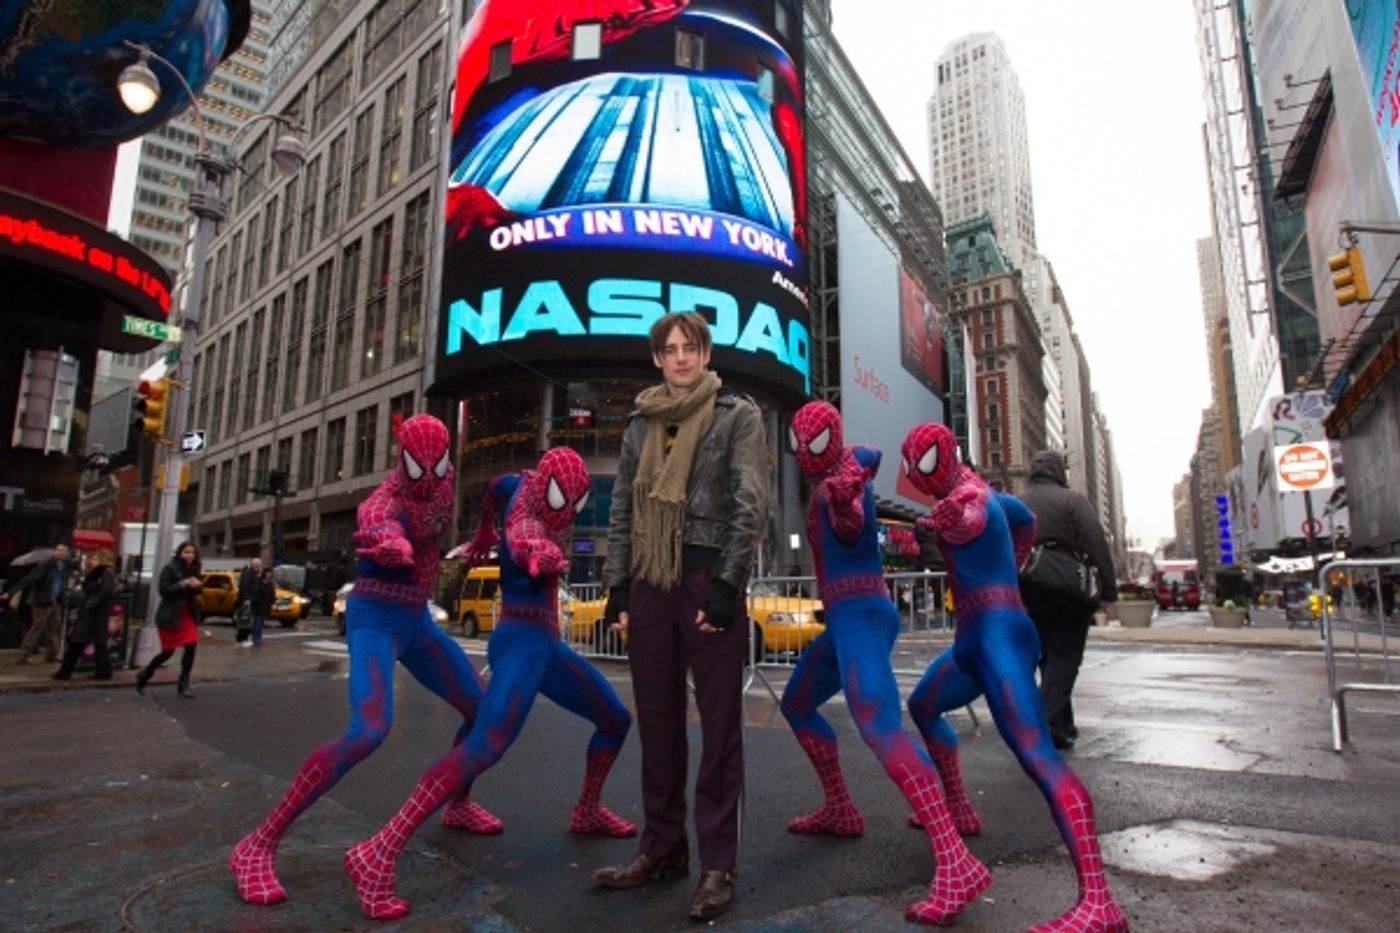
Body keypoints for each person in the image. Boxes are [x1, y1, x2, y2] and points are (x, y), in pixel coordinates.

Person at [343, 448, 636, 919]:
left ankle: (585, 810)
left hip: (543, 643)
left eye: (576, 503)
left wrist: (482, 533)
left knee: (615, 719)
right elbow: (524, 537)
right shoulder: (528, 516)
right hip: (521, 640)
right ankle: (380, 848)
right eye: (563, 499)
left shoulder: (518, 485)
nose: (568, 512)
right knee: (485, 744)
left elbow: (495, 486)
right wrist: (533, 551)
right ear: (545, 487)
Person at [228, 414, 499, 908]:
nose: (431, 476)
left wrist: (483, 535)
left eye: (440, 464)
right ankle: (256, 844)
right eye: (421, 466)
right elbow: (377, 520)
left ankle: (458, 804)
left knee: (483, 715)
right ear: (403, 459)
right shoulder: (386, 499)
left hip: (416, 618)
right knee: (368, 730)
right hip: (375, 612)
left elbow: (500, 486)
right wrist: (387, 541)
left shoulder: (443, 484)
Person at [899, 423, 1127, 932]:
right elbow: (1021, 521)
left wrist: (955, 521)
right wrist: (1010, 561)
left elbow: (972, 517)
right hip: (979, 637)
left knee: (1039, 756)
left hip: (998, 635)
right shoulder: (997, 496)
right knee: (923, 705)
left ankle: (1099, 901)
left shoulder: (972, 496)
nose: (917, 474)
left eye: (924, 463)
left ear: (941, 456)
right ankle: (959, 808)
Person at [779, 402, 989, 925]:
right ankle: (841, 809)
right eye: (800, 444)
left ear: (831, 438)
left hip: (861, 617)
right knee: (798, 702)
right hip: (853, 617)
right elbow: (860, 471)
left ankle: (955, 857)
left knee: (880, 727)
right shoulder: (842, 471)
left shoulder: (837, 484)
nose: (806, 454)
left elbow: (849, 524)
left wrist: (848, 495)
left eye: (816, 443)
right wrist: (851, 476)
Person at [591, 311, 768, 922]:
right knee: (659, 724)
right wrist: (617, 588)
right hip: (649, 580)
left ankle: (718, 864)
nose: (681, 358)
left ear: (705, 353)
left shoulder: (736, 415)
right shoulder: (640, 424)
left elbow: (750, 500)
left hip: (706, 577)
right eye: (670, 350)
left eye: (690, 347)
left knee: (720, 727)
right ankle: (662, 849)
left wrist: (728, 582)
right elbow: (621, 509)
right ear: (657, 360)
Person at [1019, 449, 1117, 750]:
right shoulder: (1072, 501)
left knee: (1050, 657)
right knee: (1065, 658)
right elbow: (1095, 543)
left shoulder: (1019, 501)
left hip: (1030, 586)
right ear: (1059, 471)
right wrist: (1108, 590)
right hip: (1068, 588)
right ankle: (1042, 723)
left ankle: (1061, 727)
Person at [136, 542, 204, 699]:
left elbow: (199, 590)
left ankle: (184, 684)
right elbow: (164, 590)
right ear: (180, 552)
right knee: (168, 651)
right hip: (171, 614)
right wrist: (182, 583)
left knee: (191, 647)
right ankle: (145, 674)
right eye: (187, 552)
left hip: (188, 614)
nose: (190, 556)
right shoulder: (170, 568)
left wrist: (197, 585)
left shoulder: (194, 569)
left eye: (192, 553)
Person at [52, 548, 117, 681]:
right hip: (94, 613)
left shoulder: (106, 572)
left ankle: (65, 672)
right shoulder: (99, 573)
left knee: (78, 641)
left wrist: (89, 604)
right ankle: (103, 672)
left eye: (95, 558)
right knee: (97, 643)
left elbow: (106, 592)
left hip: (94, 613)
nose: (92, 561)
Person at [15, 542, 70, 664]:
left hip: (54, 601)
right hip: (41, 601)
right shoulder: (45, 565)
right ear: (54, 552)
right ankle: (24, 655)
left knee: (54, 628)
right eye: (60, 550)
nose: (62, 553)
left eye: (64, 551)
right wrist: (11, 592)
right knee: (37, 627)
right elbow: (29, 579)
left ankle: (52, 654)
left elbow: (60, 585)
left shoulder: (62, 567)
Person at [235, 557, 263, 646]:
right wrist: (247, 599)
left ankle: (243, 639)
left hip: (249, 600)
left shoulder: (252, 572)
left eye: (259, 565)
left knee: (246, 619)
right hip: (246, 601)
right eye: (258, 565)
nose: (259, 567)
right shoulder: (248, 572)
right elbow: (244, 586)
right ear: (253, 564)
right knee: (244, 619)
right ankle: (242, 640)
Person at [251, 567, 276, 646]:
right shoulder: (259, 582)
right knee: (257, 623)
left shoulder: (270, 584)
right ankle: (255, 639)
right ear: (264, 574)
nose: (268, 575)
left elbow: (272, 594)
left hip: (266, 606)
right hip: (258, 606)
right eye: (267, 573)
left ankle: (259, 638)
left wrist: (272, 601)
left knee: (261, 623)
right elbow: (255, 593)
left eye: (270, 574)